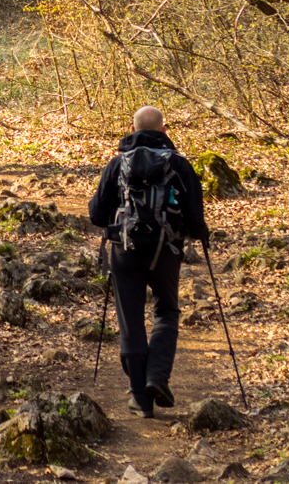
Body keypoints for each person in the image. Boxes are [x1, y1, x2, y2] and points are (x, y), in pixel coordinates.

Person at [88, 106, 209, 418]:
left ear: (132, 129)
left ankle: (140, 399)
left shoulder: (117, 164)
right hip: (166, 251)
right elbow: (195, 217)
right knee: (166, 311)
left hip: (124, 251)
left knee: (130, 319)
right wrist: (200, 235)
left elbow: (97, 215)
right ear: (164, 131)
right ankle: (157, 377)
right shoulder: (179, 165)